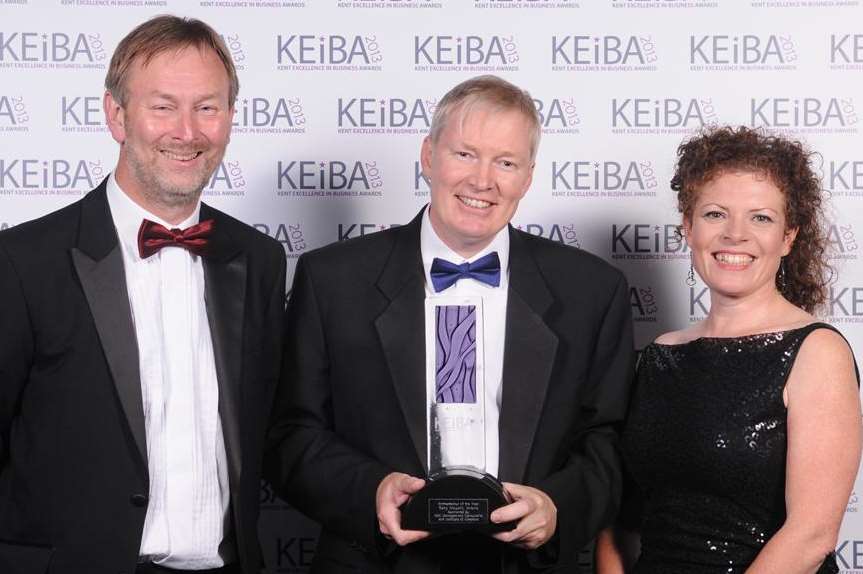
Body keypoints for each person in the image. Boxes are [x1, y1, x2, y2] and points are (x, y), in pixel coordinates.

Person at [264, 75, 634, 573]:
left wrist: (556, 506)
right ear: (428, 156)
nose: (483, 180)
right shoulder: (332, 280)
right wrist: (370, 491)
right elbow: (291, 434)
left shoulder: (591, 290)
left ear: (527, 177)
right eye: (465, 154)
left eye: (505, 162)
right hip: (378, 563)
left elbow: (609, 441)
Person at [0, 16, 285, 574]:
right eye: (162, 106)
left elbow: (275, 431)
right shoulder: (21, 262)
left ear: (230, 118)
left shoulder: (260, 259)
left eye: (207, 107)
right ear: (116, 115)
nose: (187, 131)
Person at [595, 126, 862, 574]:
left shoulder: (816, 352)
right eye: (716, 214)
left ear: (789, 237)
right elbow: (620, 520)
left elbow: (811, 535)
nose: (735, 234)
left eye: (761, 217)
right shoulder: (660, 356)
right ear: (688, 227)